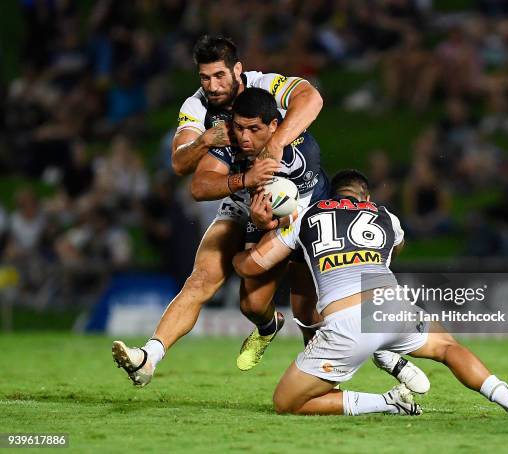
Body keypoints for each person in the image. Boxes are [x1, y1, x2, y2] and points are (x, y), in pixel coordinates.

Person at [112, 47, 416, 388]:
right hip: (246, 202)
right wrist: (233, 168)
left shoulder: (285, 126)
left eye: (219, 76)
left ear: (238, 72)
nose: (212, 86)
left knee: (308, 310)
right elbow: (193, 178)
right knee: (223, 290)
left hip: (299, 212)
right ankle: (149, 358)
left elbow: (311, 98)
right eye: (204, 78)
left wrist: (273, 149)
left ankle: (338, 379)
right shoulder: (204, 115)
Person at [233, 170, 508, 416]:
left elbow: (251, 268)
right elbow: (393, 250)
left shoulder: (304, 216)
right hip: (392, 306)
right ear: (366, 195)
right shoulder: (388, 218)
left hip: (346, 321)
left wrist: (251, 237)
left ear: (331, 194)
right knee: (448, 348)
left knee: (285, 402)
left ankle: (386, 401)